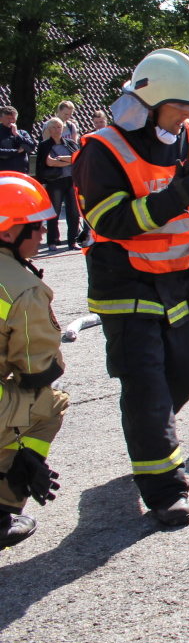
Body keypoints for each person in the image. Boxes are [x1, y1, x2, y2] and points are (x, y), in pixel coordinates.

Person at [72, 48, 189, 526]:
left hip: (177, 280)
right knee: (146, 388)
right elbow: (110, 219)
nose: (187, 117)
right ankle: (164, 490)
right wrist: (171, 199)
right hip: (126, 281)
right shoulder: (102, 149)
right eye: (180, 107)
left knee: (188, 370)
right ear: (150, 101)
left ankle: (147, 435)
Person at [0, 173, 68, 548]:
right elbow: (35, 370)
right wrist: (24, 454)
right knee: (49, 403)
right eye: (36, 226)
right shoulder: (23, 287)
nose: (43, 233)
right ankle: (6, 501)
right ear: (9, 233)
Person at [35, 119, 80, 249]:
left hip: (71, 180)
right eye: (54, 127)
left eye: (59, 127)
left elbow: (77, 159)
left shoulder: (70, 143)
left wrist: (59, 160)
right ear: (49, 129)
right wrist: (68, 161)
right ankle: (52, 241)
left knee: (73, 212)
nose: (57, 129)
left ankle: (73, 240)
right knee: (54, 211)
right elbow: (48, 163)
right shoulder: (44, 145)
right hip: (55, 181)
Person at [0, 106, 37, 174]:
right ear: (1, 119)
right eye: (8, 118)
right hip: (3, 174)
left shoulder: (22, 133)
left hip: (21, 173)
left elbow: (31, 148)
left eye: (13, 118)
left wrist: (17, 135)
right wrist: (16, 151)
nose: (11, 121)